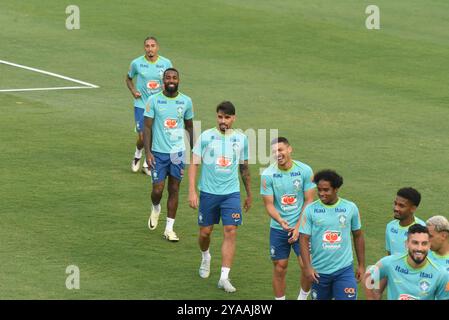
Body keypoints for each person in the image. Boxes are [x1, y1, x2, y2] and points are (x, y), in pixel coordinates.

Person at [188, 101, 251, 293]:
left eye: (227, 117)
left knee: (230, 230)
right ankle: (205, 255)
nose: (223, 121)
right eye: (220, 117)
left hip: (231, 193)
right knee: (205, 232)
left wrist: (249, 193)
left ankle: (224, 277)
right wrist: (192, 190)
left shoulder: (241, 139)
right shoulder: (206, 137)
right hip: (208, 193)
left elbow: (244, 167)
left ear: (234, 118)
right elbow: (194, 164)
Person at [260, 137, 316, 300]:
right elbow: (269, 204)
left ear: (289, 149)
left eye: (281, 150)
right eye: (274, 152)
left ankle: (302, 297)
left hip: (303, 227)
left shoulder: (305, 170)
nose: (278, 154)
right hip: (279, 228)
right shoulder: (268, 174)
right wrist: (280, 220)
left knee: (307, 266)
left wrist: (298, 227)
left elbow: (309, 201)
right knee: (280, 267)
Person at [143, 68, 193, 242]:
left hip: (177, 153)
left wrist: (193, 150)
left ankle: (169, 229)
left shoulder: (186, 101)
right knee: (157, 190)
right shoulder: (153, 100)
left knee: (174, 189)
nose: (171, 80)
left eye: (174, 77)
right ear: (163, 80)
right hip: (158, 152)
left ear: (179, 80)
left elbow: (189, 126)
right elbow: (147, 127)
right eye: (168, 78)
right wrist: (147, 152)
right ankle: (156, 207)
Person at [299, 169, 365, 300]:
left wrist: (361, 265)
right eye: (319, 190)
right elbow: (303, 239)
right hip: (319, 272)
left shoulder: (350, 208)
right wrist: (307, 267)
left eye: (326, 190)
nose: (321, 194)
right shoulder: (310, 210)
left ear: (336, 189)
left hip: (344, 270)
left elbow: (358, 235)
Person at [126, 36, 173, 175]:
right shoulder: (137, 63)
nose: (150, 49)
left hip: (158, 105)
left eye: (153, 46)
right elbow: (128, 78)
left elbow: (171, 80)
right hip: (141, 104)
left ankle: (147, 164)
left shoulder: (166, 63)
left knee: (154, 134)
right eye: (147, 46)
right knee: (142, 136)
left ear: (157, 47)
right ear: (144, 48)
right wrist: (133, 91)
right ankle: (137, 154)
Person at [364, 224, 449, 300]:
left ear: (429, 245)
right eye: (415, 243)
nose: (419, 248)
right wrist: (371, 297)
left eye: (424, 243)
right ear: (406, 244)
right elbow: (368, 275)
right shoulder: (390, 263)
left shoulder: (441, 274)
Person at [386, 187, 425, 255]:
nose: (396, 208)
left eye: (401, 206)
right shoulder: (390, 226)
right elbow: (390, 255)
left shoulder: (423, 229)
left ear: (413, 208)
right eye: (395, 204)